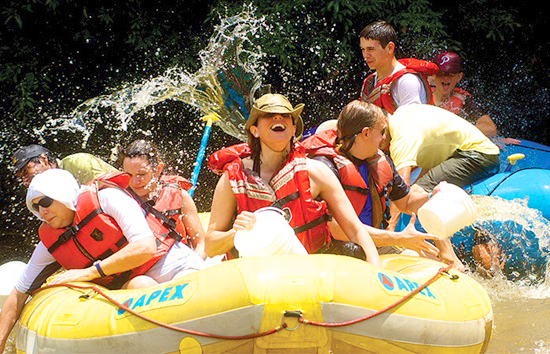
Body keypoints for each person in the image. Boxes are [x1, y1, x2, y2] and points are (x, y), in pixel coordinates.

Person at [0, 169, 205, 352]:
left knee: (193, 296)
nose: (42, 211)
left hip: (175, 265)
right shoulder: (50, 242)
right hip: (140, 285)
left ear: (62, 195)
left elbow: (145, 247)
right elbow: (18, 293)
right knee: (140, 285)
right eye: (36, 207)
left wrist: (89, 272)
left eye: (46, 202)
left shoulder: (107, 199)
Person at [205, 93, 380, 265]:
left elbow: (355, 229)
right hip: (258, 277)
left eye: (285, 116)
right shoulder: (233, 179)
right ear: (255, 130)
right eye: (269, 115)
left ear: (293, 129)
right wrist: (236, 233)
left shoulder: (316, 172)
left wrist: (376, 270)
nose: (278, 118)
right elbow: (210, 246)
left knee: (354, 252)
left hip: (311, 272)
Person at [303, 101, 462, 269]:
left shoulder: (380, 161)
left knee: (440, 269)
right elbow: (337, 228)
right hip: (337, 250)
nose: (385, 137)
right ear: (366, 133)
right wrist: (399, 239)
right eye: (382, 132)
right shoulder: (324, 167)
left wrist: (432, 197)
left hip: (376, 244)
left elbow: (406, 202)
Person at [120, 139, 207, 260]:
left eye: (142, 174)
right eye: (128, 175)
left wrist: (192, 267)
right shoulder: (118, 198)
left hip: (178, 265)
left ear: (158, 169)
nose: (134, 182)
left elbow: (201, 243)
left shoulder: (180, 197)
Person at [383, 104, 500, 192]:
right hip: (483, 153)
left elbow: (402, 188)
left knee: (416, 192)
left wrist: (391, 224)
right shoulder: (403, 112)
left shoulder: (402, 137)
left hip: (477, 156)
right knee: (417, 188)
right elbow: (432, 160)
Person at [431, 51, 521, 145]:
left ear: (459, 77)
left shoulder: (465, 101)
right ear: (433, 75)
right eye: (441, 73)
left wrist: (453, 132)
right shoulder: (421, 94)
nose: (446, 78)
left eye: (451, 74)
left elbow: (490, 128)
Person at [359, 20, 438, 114]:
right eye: (363, 49)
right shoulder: (370, 82)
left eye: (371, 49)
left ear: (390, 48)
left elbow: (413, 123)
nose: (365, 55)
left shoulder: (407, 81)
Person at [12, 144, 117, 187]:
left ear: (44, 160)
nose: (25, 181)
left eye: (26, 171)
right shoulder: (47, 188)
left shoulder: (78, 163)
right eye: (21, 177)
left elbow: (111, 191)